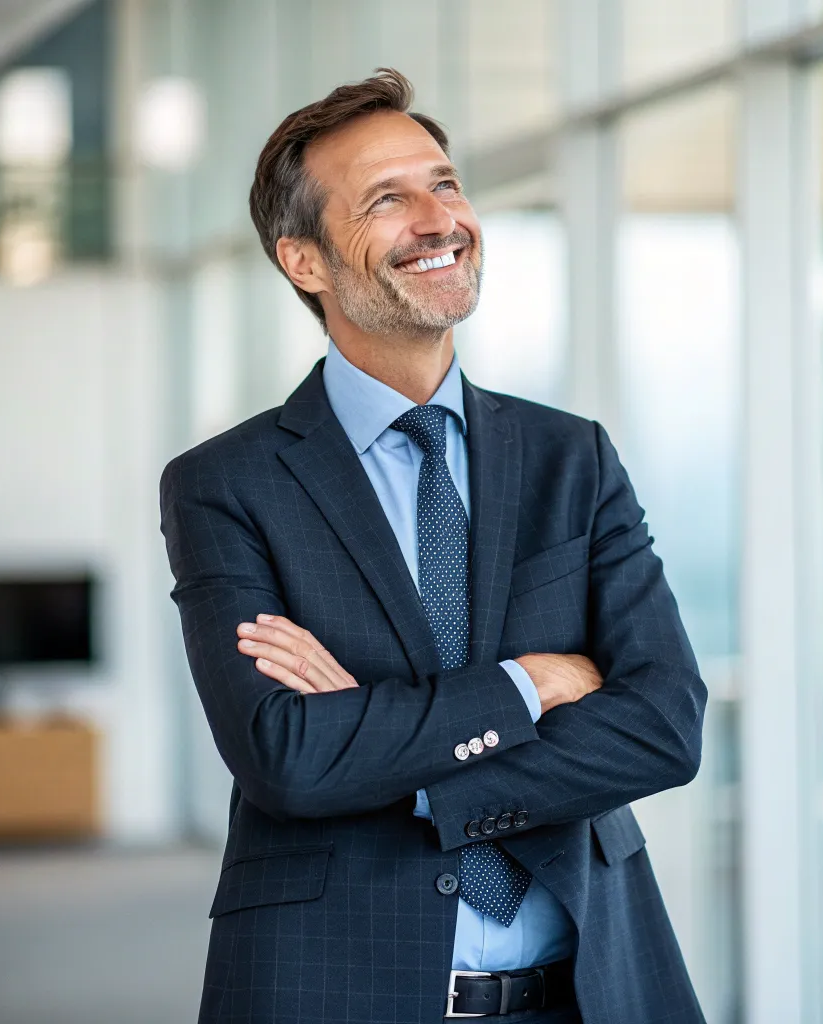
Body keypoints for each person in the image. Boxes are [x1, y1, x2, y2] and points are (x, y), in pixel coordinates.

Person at [160, 67, 707, 1024]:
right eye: (387, 199)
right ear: (305, 262)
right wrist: (530, 685)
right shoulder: (226, 483)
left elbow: (663, 724)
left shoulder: (570, 456)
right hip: (334, 986)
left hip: (591, 987)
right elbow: (288, 756)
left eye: (444, 183)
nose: (438, 218)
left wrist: (389, 750)